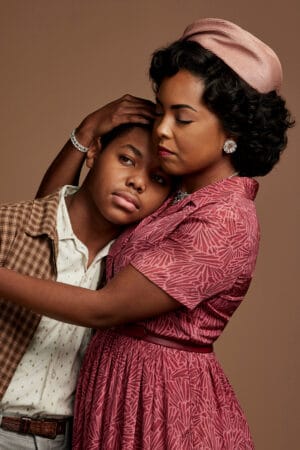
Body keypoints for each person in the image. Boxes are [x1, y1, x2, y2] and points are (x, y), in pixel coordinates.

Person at [0, 18, 294, 449]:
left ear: (232, 131)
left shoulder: (225, 219)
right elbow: (52, 230)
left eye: (183, 118)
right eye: (161, 111)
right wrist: (85, 134)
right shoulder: (175, 196)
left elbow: (104, 309)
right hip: (115, 397)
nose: (162, 129)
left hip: (160, 409)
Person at [0, 119, 172, 450]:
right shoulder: (11, 228)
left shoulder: (131, 274)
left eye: (158, 178)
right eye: (126, 159)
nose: (137, 181)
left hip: (72, 439)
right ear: (93, 152)